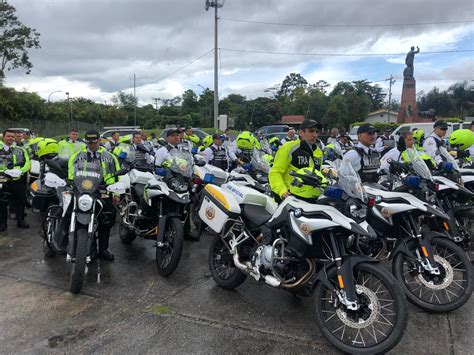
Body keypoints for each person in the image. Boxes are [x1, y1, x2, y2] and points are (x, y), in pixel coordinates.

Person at [67, 130, 120, 261]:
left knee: (106, 220)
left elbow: (118, 175)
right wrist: (70, 184)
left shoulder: (110, 156)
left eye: (94, 142)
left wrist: (117, 192)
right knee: (74, 217)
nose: (92, 145)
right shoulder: (77, 156)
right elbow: (70, 173)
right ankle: (81, 248)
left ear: (99, 141)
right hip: (82, 191)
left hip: (104, 191)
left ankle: (103, 249)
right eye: (89, 142)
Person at [269, 119, 324, 200]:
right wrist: (282, 191)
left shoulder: (318, 152)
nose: (315, 135)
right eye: (311, 131)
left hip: (311, 198)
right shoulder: (289, 148)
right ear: (301, 133)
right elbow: (275, 172)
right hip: (290, 197)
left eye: (316, 132)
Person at [0, 129, 31, 231]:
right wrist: (4, 171)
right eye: (8, 136)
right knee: (2, 202)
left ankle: (20, 220)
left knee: (20, 200)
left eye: (12, 137)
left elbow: (27, 163)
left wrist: (21, 171)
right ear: (3, 137)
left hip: (17, 179)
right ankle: (2, 223)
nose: (10, 138)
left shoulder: (20, 149)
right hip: (3, 179)